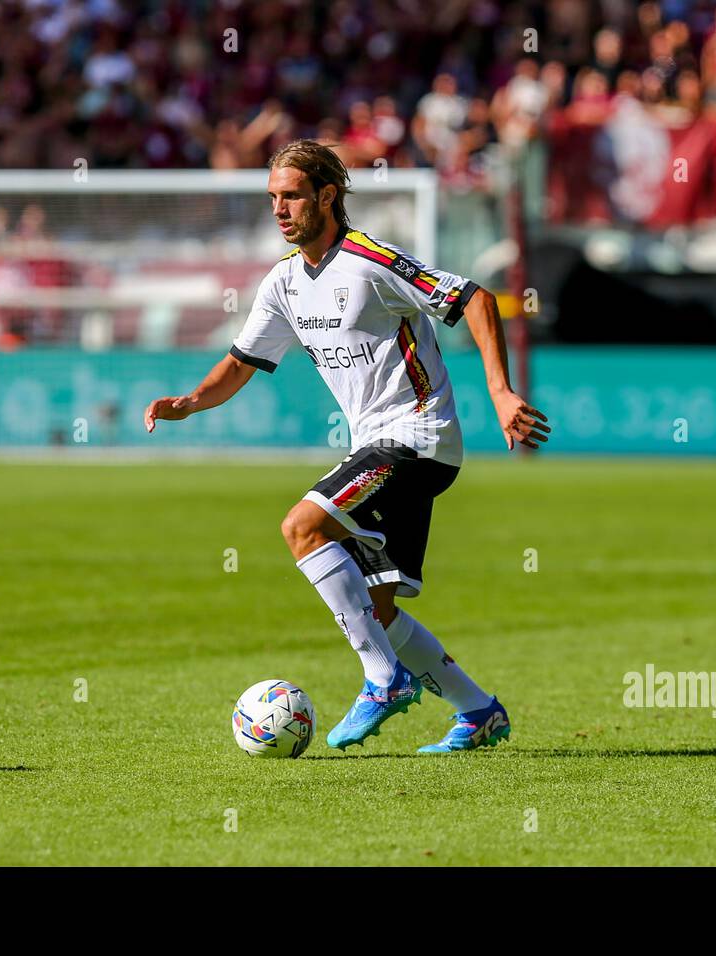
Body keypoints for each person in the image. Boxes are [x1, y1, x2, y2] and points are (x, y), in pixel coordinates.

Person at [143, 140, 549, 753]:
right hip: (385, 445)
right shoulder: (283, 282)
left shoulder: (370, 260)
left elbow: (474, 298)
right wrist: (191, 401)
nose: (280, 210)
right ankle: (478, 710)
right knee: (376, 607)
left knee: (302, 526)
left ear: (327, 196)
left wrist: (500, 392)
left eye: (293, 196)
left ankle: (383, 682)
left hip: (416, 434)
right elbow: (241, 360)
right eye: (273, 198)